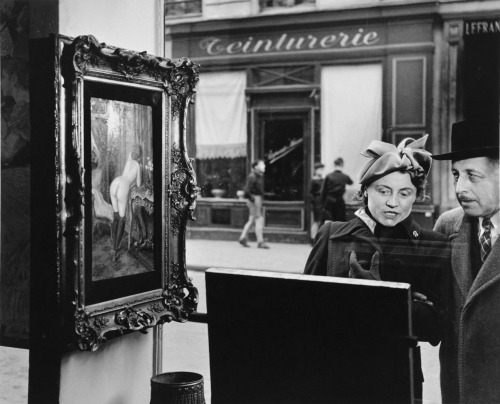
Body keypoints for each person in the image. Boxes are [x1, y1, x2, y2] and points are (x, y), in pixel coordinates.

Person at [304, 135, 450, 400]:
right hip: (335, 375)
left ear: (417, 196)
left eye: (405, 193)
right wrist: (406, 302)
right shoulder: (331, 235)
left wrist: (381, 296)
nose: (393, 202)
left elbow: (435, 329)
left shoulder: (433, 245)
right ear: (365, 190)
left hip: (395, 380)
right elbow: (305, 315)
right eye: (383, 191)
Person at [432, 119, 500, 404]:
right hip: (458, 390)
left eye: (473, 175)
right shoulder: (447, 226)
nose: (460, 188)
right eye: (456, 174)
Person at [109, 143, 143, 260]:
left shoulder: (128, 161)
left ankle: (113, 242)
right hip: (123, 187)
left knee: (116, 215)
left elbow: (125, 174)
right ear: (139, 155)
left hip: (115, 182)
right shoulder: (138, 165)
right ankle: (114, 250)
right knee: (122, 219)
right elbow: (138, 184)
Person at [239, 159, 269, 249]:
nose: (264, 166)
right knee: (259, 219)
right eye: (262, 164)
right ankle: (260, 242)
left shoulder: (257, 176)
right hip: (255, 199)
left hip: (255, 199)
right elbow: (246, 190)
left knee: (252, 220)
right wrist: (254, 200)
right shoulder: (253, 176)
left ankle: (243, 237)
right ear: (256, 167)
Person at [321, 157, 353, 222]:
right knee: (340, 221)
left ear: (334, 165)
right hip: (339, 201)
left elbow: (323, 191)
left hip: (329, 201)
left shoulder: (328, 176)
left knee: (328, 221)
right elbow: (351, 182)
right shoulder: (345, 176)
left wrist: (324, 202)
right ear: (342, 165)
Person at [308, 162, 325, 243]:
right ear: (316, 170)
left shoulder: (323, 179)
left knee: (321, 220)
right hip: (317, 202)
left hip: (322, 202)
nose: (321, 171)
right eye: (320, 169)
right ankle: (313, 238)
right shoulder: (313, 180)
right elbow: (310, 193)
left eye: (322, 169)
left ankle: (318, 238)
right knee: (316, 221)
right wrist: (313, 203)